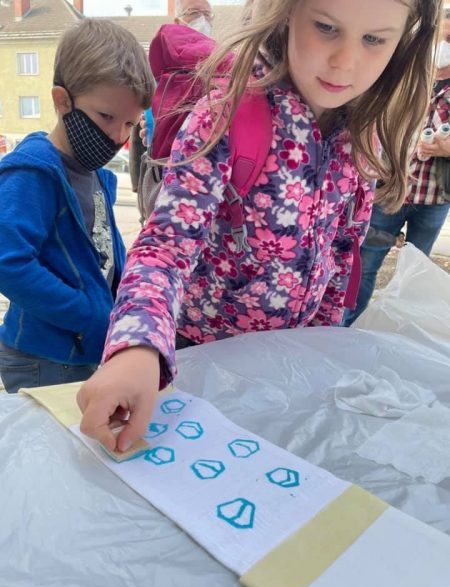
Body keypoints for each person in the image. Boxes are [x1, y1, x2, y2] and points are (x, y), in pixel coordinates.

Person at [77, 0, 442, 454]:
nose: (345, 61)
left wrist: (323, 351)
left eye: (374, 39)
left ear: (405, 39)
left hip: (291, 367)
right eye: (326, 27)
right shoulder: (228, 115)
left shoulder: (363, 132)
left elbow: (341, 252)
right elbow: (164, 249)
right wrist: (137, 348)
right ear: (287, 13)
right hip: (199, 363)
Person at [0, 19, 154, 393]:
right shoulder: (34, 171)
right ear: (61, 100)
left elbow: (102, 256)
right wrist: (88, 314)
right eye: (106, 117)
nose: (118, 136)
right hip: (42, 359)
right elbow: (9, 263)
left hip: (86, 350)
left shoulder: (97, 175)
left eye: (130, 124)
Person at [343, 6, 450, 326]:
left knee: (415, 272)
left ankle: (399, 332)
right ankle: (347, 329)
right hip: (388, 195)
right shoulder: (398, 78)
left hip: (434, 200)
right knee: (365, 265)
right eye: (444, 37)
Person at [129, 0, 214, 193]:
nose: (203, 20)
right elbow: (141, 124)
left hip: (207, 171)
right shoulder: (160, 65)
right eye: (194, 13)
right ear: (177, 21)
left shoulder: (219, 63)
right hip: (163, 173)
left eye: (208, 15)